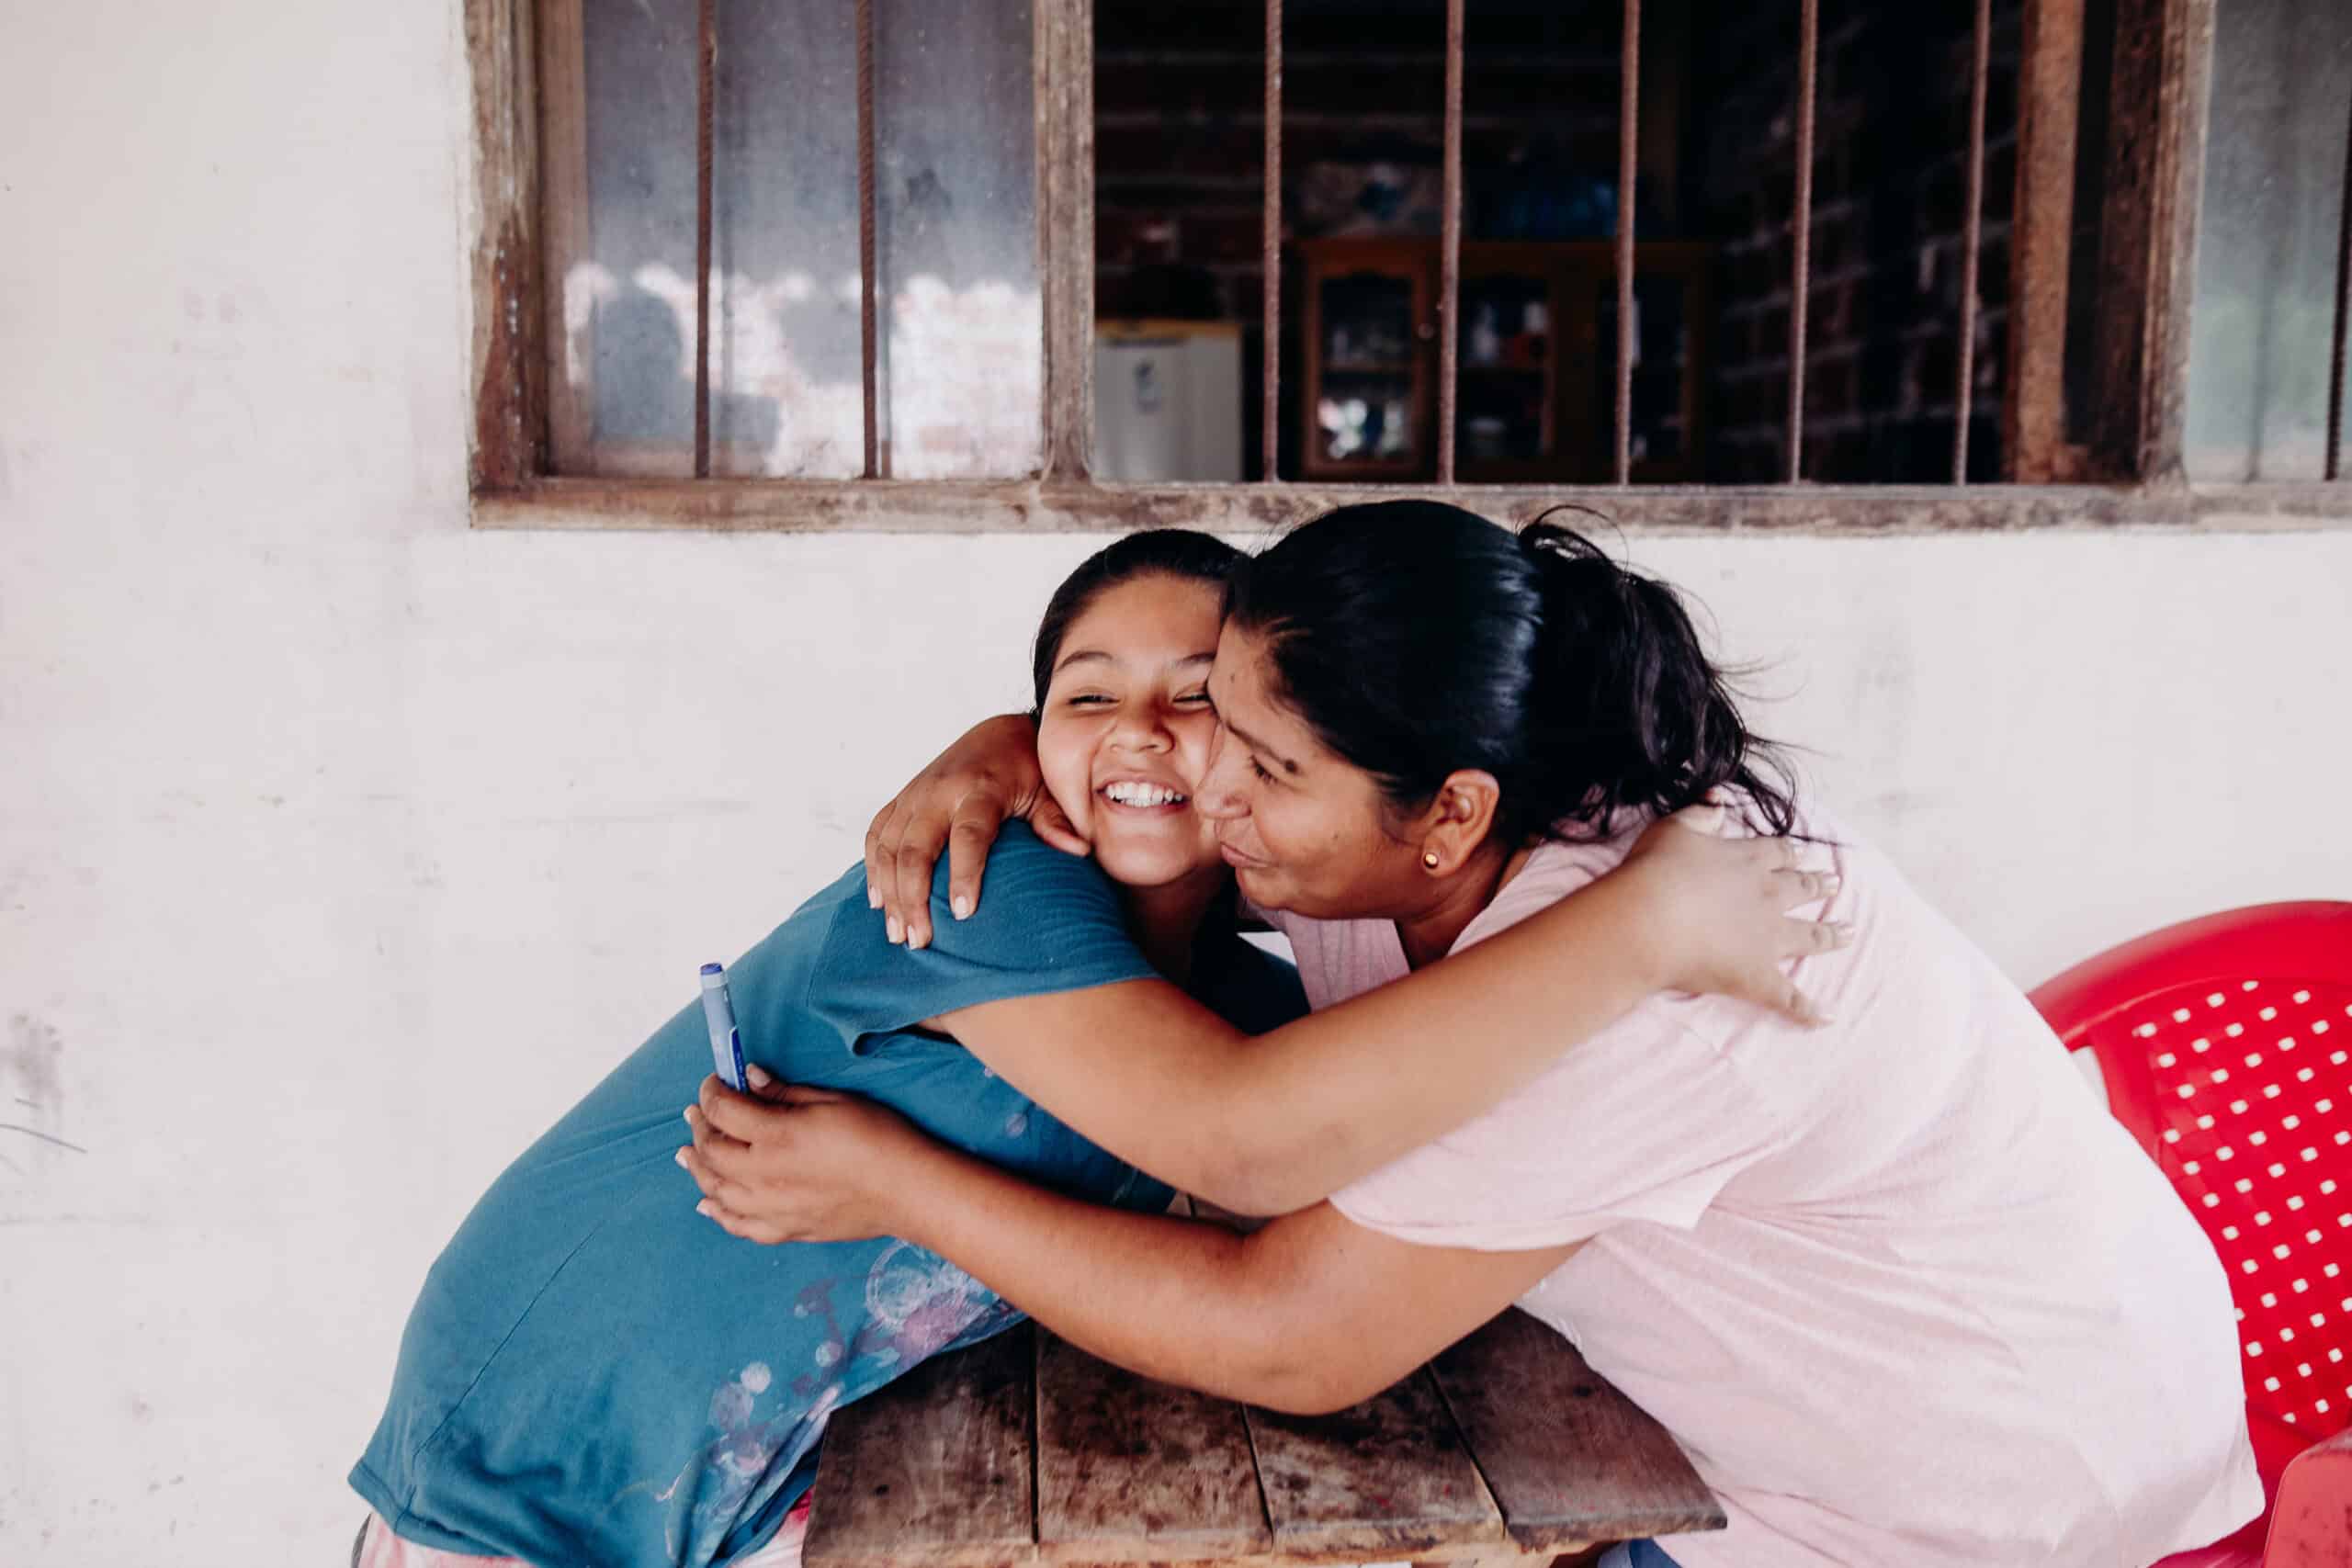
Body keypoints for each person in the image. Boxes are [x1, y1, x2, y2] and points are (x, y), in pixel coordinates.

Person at [684, 502, 2262, 1568]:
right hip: (1725, 1439)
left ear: (1449, 816)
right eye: (1219, 718)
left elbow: (1286, 1331)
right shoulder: (1399, 793)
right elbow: (1161, 776)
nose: (1210, 783)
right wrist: (1006, 746)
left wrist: (893, 1182)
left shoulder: (1660, 973)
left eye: (1262, 763)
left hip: (1985, 1504)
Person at [351, 527, 1836, 1568]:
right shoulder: (976, 891)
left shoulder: (1240, 1003)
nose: (1139, 729)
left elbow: (1297, 1170)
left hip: (746, 1481)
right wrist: (1645, 926)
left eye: (1199, 699)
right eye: (1085, 695)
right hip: (539, 1454)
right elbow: (1240, 1140)